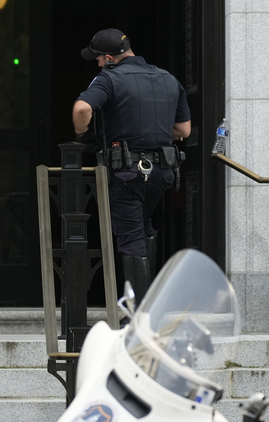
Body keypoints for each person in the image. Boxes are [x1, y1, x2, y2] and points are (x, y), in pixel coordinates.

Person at [72, 28, 191, 305]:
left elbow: (81, 109)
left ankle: (140, 316)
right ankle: (149, 305)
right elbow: (183, 130)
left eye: (99, 59)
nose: (98, 64)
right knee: (144, 228)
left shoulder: (108, 79)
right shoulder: (168, 79)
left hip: (126, 171)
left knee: (130, 238)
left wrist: (83, 137)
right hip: (162, 172)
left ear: (110, 58)